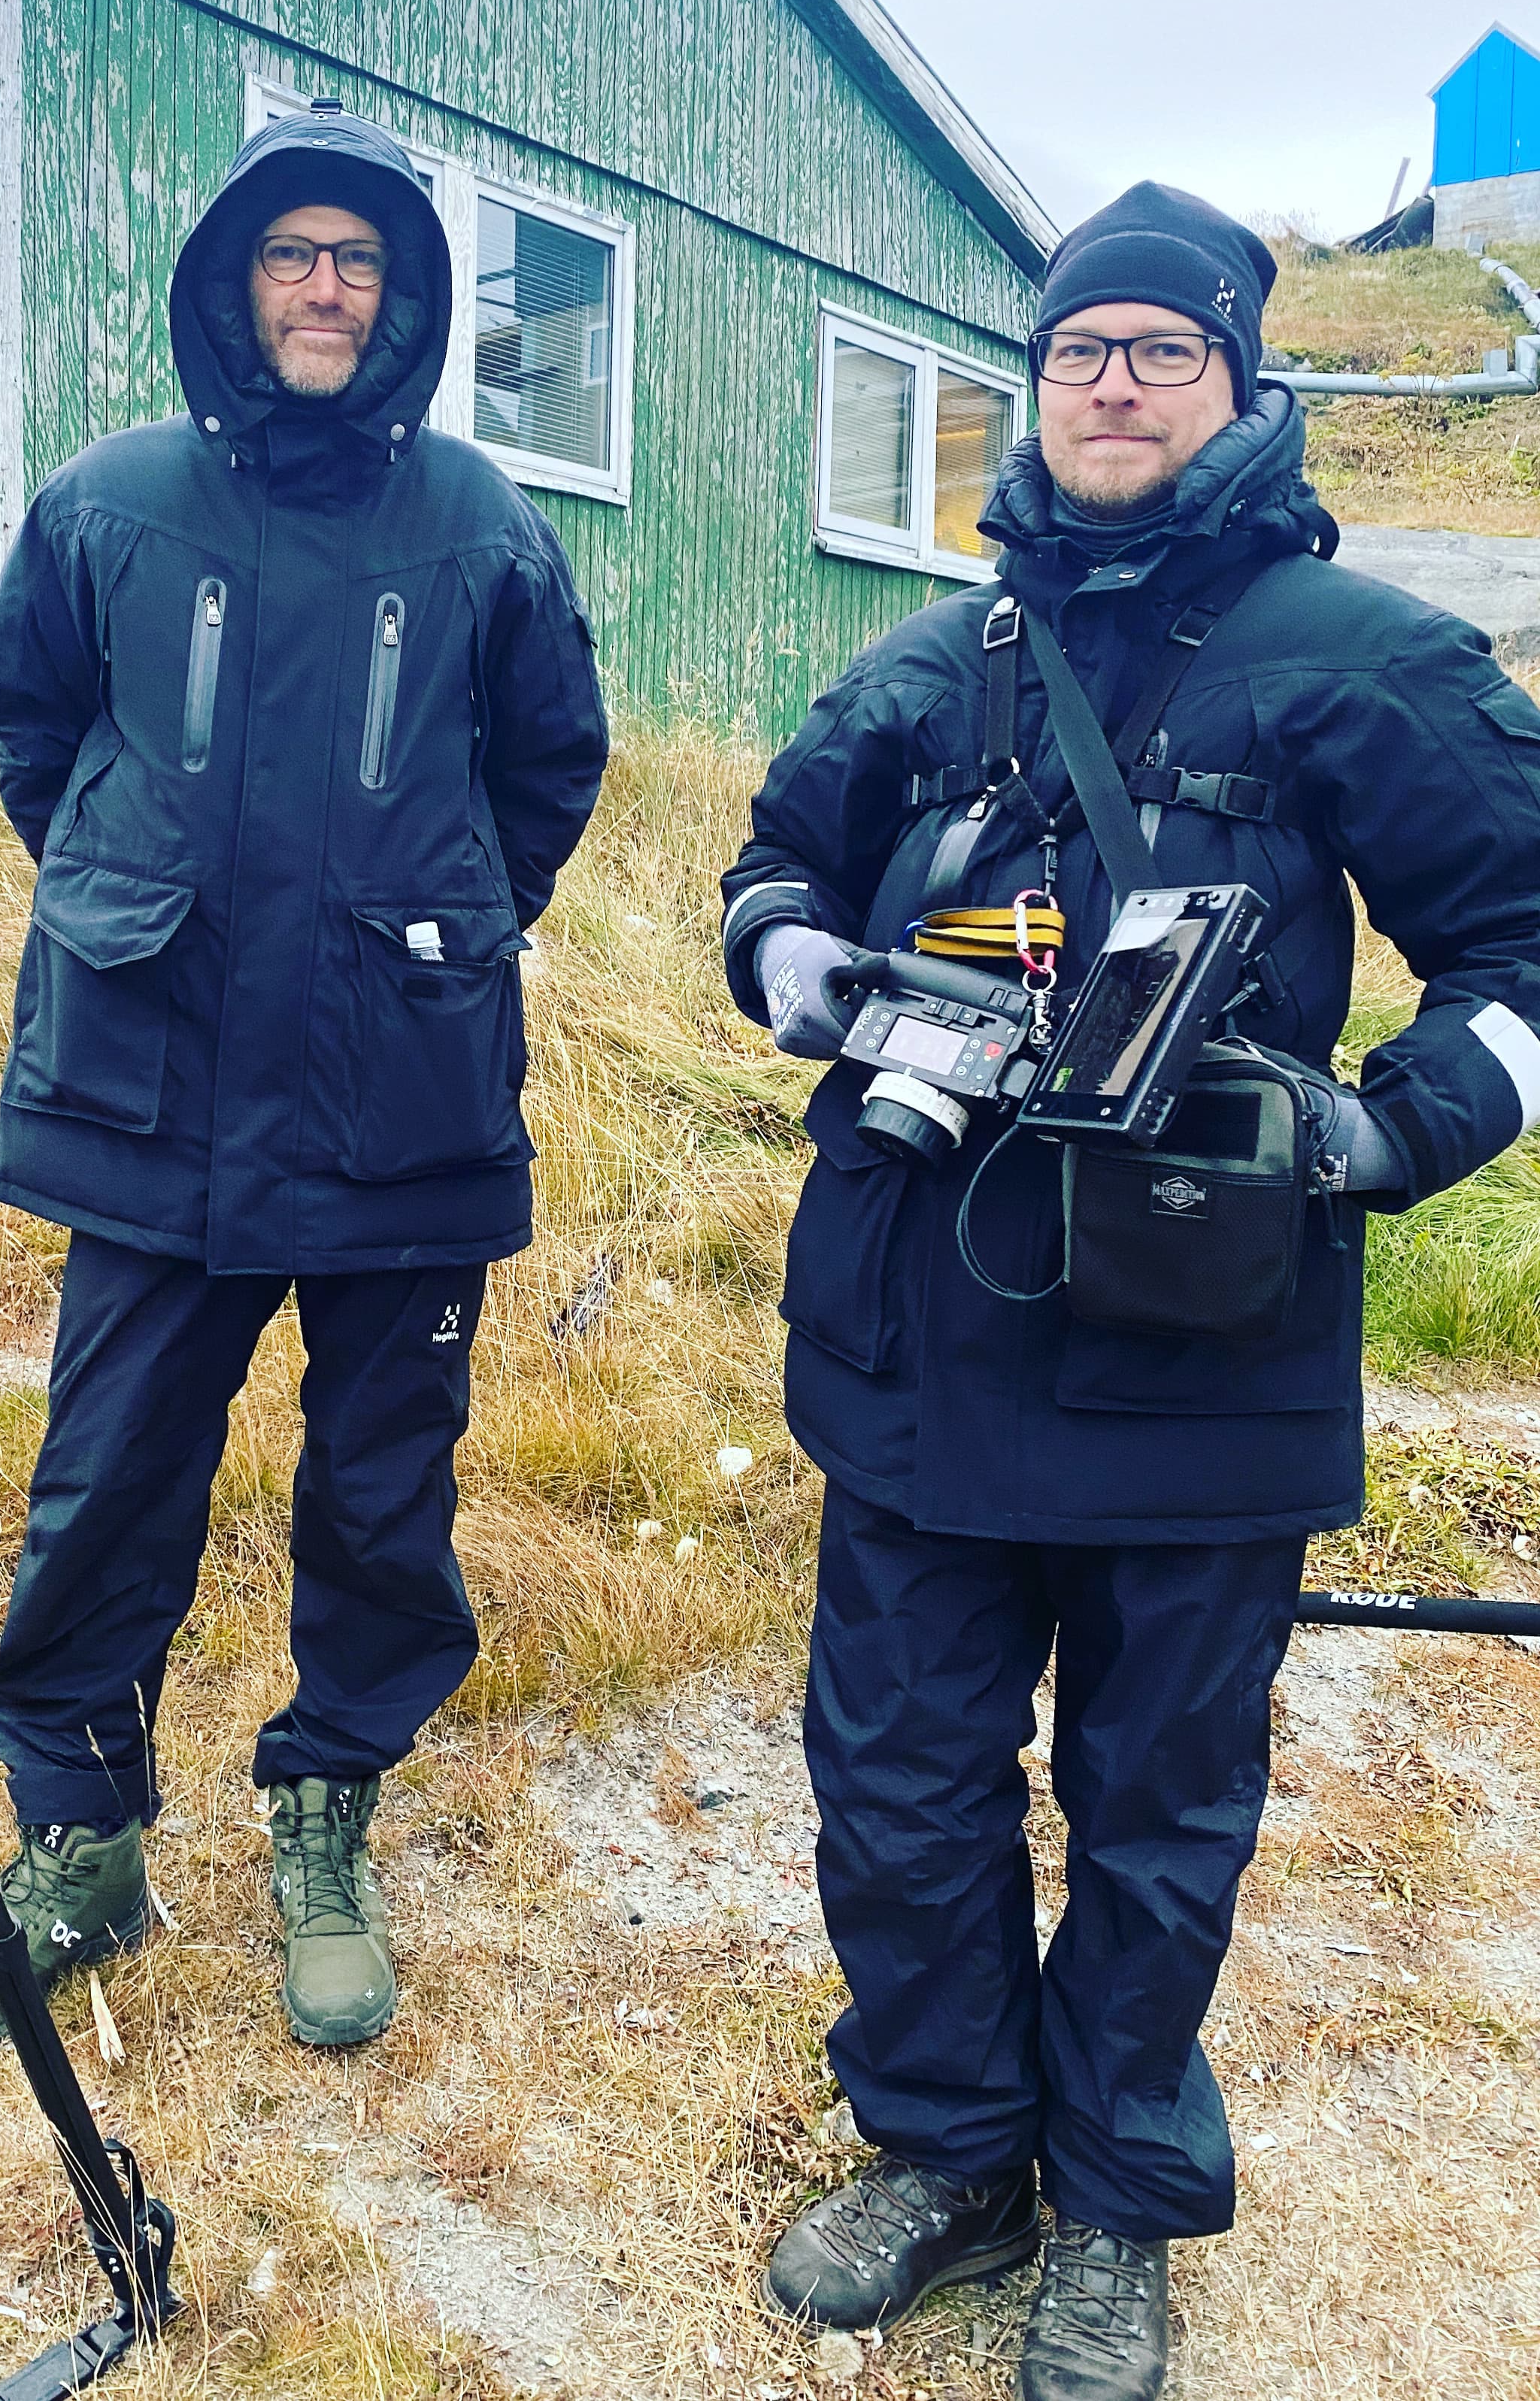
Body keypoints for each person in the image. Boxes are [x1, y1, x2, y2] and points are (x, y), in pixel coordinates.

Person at [720, 182, 1540, 2399]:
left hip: (1210, 1347)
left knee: (1162, 1814)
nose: (1111, 385)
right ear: (1041, 382)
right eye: (1081, 349)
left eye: (1159, 354)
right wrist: (798, 963)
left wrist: (1393, 1129)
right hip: (916, 1332)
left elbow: (1526, 944)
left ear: (1237, 389)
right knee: (897, 1783)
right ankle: (949, 2147)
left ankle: (1116, 2202)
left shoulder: (1357, 653)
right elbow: (776, 858)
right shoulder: (939, 656)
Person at [0, 104, 607, 2063]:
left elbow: (549, 764)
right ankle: (81, 1847)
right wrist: (134, 890)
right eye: (292, 254)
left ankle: (325, 1817)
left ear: (405, 302)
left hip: (405, 1098)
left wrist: (437, 919)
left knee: (385, 1497)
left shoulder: (479, 522)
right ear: (233, 284)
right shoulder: (112, 501)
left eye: (357, 262)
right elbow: (33, 726)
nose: (322, 287)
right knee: (105, 1484)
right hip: (156, 1093)